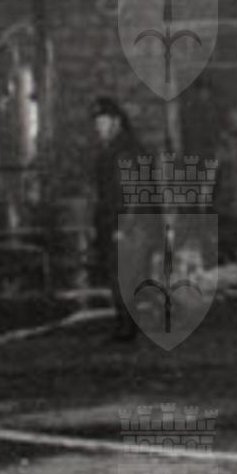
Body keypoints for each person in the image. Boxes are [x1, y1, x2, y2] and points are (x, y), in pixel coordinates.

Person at [91, 95, 145, 342]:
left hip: (127, 224)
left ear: (116, 122)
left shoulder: (125, 151)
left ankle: (126, 328)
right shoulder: (114, 149)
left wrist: (125, 227)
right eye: (97, 123)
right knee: (119, 275)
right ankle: (125, 325)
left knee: (123, 275)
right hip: (115, 222)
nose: (98, 128)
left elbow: (134, 192)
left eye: (102, 122)